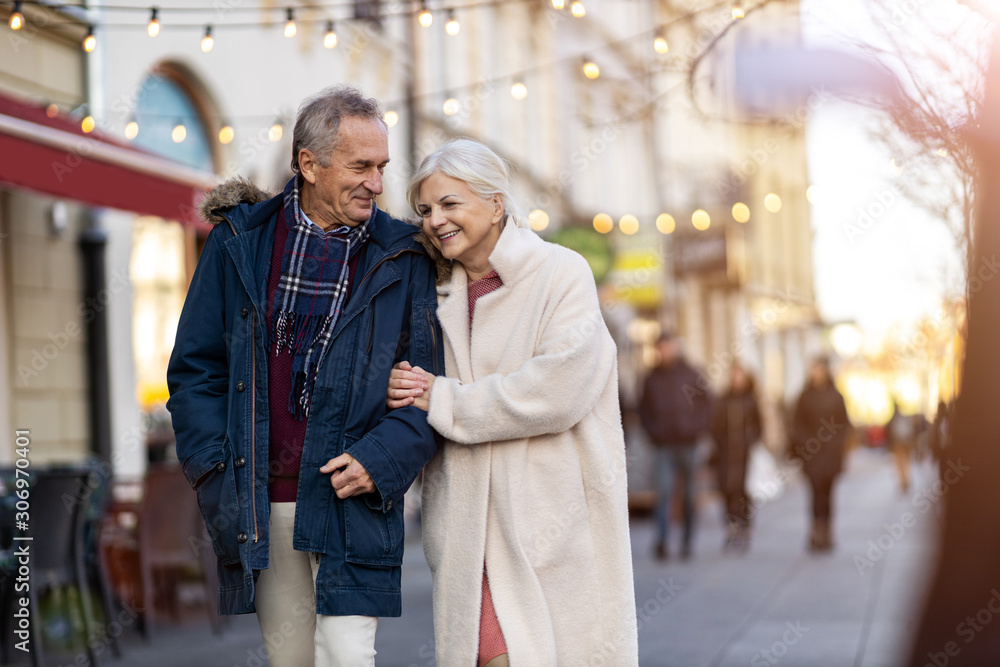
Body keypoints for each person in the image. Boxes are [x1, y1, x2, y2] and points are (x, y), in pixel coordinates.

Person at [166, 86, 442, 667]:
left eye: (382, 167)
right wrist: (216, 470)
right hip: (261, 506)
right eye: (360, 166)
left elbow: (427, 388)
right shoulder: (238, 243)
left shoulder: (404, 256)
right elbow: (196, 371)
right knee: (287, 658)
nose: (376, 182)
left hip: (353, 498)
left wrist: (382, 458)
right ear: (308, 164)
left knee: (347, 657)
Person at [385, 139, 638, 666]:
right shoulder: (431, 291)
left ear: (496, 203)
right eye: (426, 209)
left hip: (551, 523)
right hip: (465, 531)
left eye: (450, 204)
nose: (435, 220)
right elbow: (409, 387)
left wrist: (444, 397)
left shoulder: (561, 272)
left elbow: (558, 390)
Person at [638, 333, 713, 561]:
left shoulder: (691, 373)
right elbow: (643, 410)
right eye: (661, 348)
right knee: (664, 492)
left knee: (690, 494)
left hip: (688, 443)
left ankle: (687, 541)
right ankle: (662, 540)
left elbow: (708, 404)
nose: (665, 352)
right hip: (663, 445)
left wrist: (697, 429)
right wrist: (654, 432)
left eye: (668, 347)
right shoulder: (651, 378)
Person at [790, 357, 851, 553]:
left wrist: (835, 444)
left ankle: (828, 532)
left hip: (831, 454)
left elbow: (844, 424)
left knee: (828, 493)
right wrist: (805, 443)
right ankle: (816, 530)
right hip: (812, 454)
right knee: (815, 493)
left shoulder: (836, 396)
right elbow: (796, 424)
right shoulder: (804, 397)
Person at [709, 364, 762, 553]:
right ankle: (731, 529)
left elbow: (759, 427)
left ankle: (745, 529)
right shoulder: (723, 400)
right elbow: (714, 426)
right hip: (725, 456)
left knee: (743, 493)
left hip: (744, 456)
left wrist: (749, 440)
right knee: (727, 491)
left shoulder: (751, 401)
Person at [886, 400, 915, 494]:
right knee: (903, 464)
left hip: (901, 444)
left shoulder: (895, 420)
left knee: (902, 464)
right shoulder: (902, 419)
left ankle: (905, 482)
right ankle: (904, 482)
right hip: (901, 444)